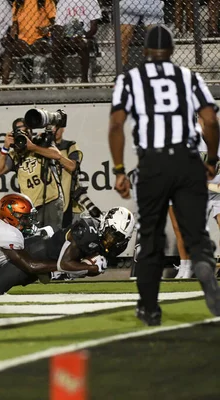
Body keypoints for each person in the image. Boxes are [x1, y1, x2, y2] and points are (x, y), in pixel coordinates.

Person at [108, 25, 220, 326]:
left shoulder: (130, 79)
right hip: (187, 160)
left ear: (144, 51)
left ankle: (149, 307)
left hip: (153, 164)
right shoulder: (189, 77)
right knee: (196, 233)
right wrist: (211, 159)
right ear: (171, 52)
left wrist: (119, 169)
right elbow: (210, 119)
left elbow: (116, 126)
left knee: (152, 237)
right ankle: (206, 269)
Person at [0, 206, 134, 295]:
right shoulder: (87, 230)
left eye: (119, 238)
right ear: (106, 225)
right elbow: (65, 263)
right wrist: (89, 267)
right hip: (35, 254)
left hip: (46, 267)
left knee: (3, 282)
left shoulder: (117, 244)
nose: (113, 240)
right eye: (112, 234)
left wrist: (87, 267)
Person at [0, 118, 64, 232]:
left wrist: (32, 147)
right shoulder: (15, 155)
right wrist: (5, 147)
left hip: (51, 200)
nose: (23, 134)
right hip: (30, 205)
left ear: (31, 131)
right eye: (19, 131)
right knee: (35, 241)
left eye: (25, 130)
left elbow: (57, 155)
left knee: (54, 239)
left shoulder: (41, 143)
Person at [52, 125, 83, 228]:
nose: (55, 130)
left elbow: (72, 166)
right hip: (50, 201)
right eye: (51, 127)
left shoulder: (70, 145)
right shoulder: (42, 148)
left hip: (69, 201)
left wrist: (55, 155)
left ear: (63, 128)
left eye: (57, 127)